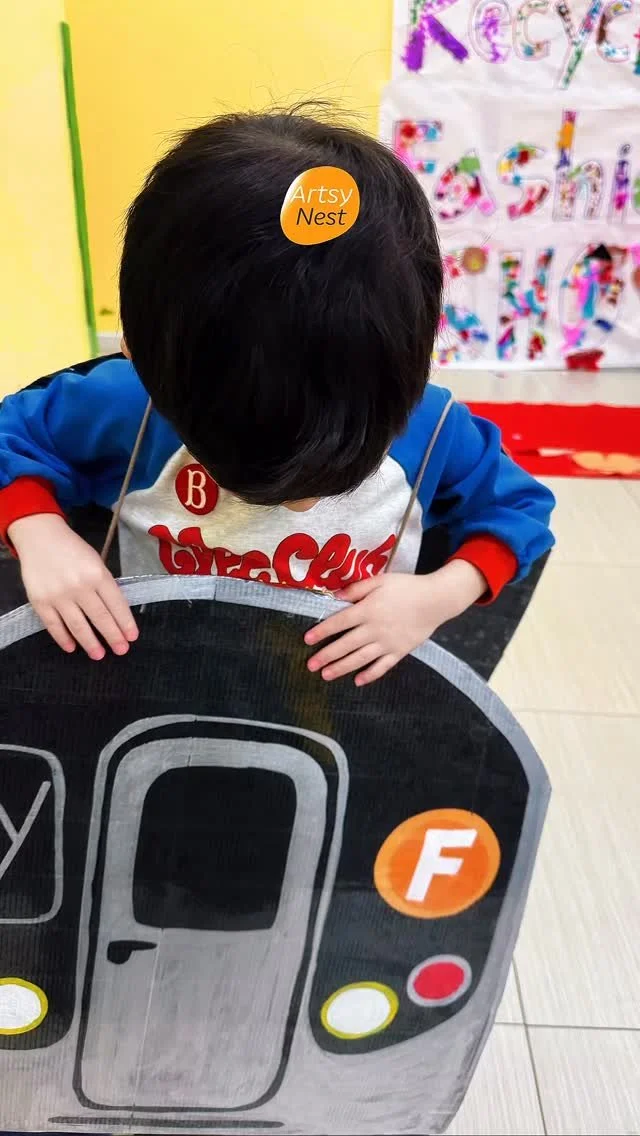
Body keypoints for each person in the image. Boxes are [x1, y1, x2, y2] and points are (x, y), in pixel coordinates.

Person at [0, 106, 554, 686]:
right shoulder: (124, 404)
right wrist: (39, 532)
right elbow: (14, 436)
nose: (300, 507)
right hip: (160, 674)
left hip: (332, 695)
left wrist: (440, 594)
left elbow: (519, 508)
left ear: (414, 365)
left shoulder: (434, 427)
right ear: (136, 354)